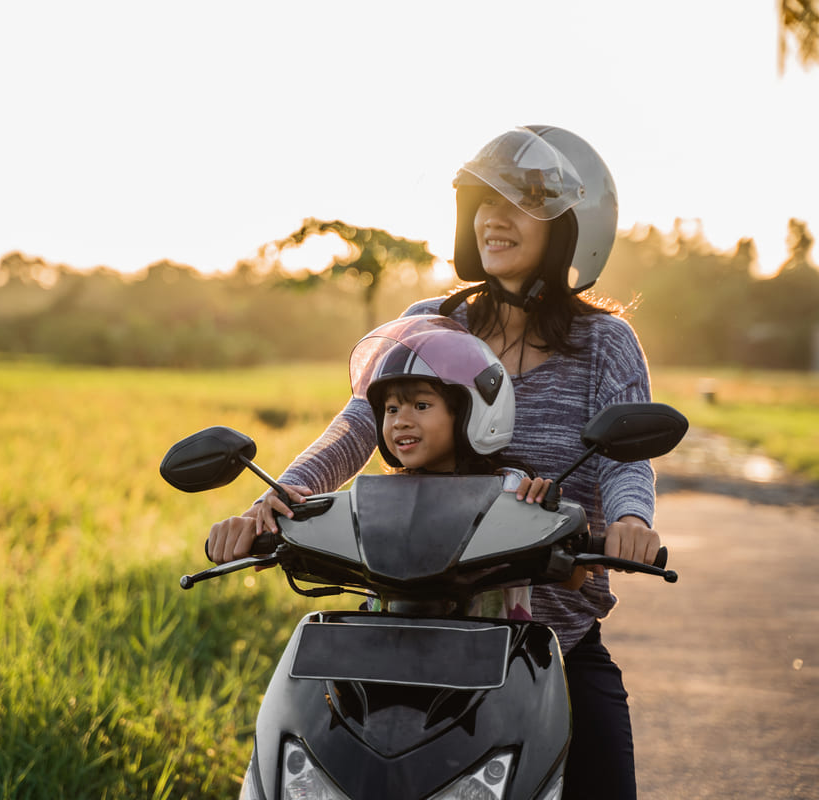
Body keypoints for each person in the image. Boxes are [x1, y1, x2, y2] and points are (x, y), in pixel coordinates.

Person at [207, 125, 661, 799]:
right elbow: (358, 425)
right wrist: (279, 497)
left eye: (519, 204)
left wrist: (628, 521)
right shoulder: (431, 323)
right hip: (405, 630)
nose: (492, 219)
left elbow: (627, 460)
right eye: (482, 202)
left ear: (570, 227)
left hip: (549, 642)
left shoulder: (604, 343)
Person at [347, 313, 555, 618]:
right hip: (391, 654)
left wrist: (545, 514)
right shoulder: (378, 496)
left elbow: (574, 575)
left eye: (421, 406)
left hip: (492, 655)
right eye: (391, 409)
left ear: (471, 412)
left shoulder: (509, 490)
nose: (400, 421)